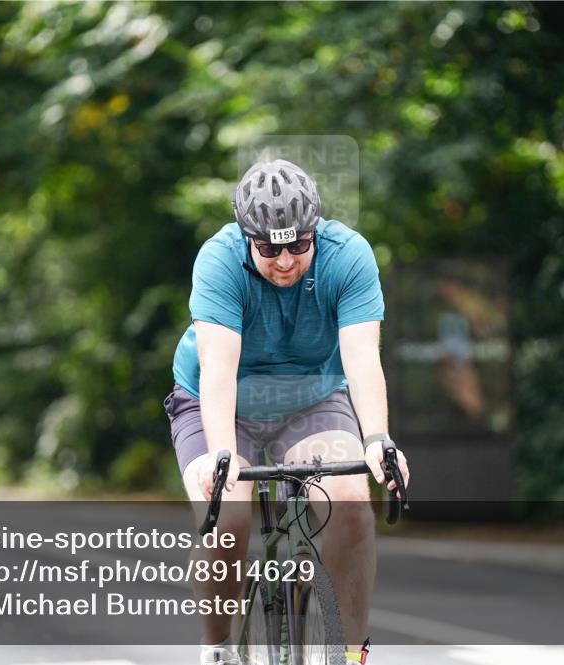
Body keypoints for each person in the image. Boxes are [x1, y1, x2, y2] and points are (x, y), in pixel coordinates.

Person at [164, 159, 410, 664]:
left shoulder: (348, 256)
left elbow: (362, 360)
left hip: (310, 401)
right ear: (246, 237)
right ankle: (217, 650)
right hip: (219, 404)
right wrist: (222, 454)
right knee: (227, 519)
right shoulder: (219, 260)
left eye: (298, 245)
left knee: (349, 501)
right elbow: (217, 368)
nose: (283, 261)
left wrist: (377, 440)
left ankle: (351, 653)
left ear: (315, 230)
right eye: (269, 248)